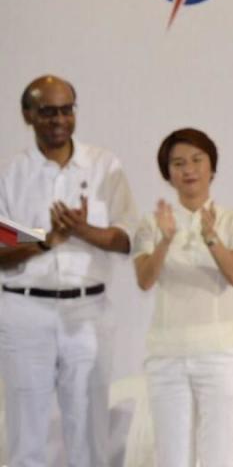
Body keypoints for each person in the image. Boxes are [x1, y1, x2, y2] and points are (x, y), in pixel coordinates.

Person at [0, 75, 137, 467]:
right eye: (47, 111)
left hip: (88, 311)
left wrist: (82, 231)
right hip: (25, 312)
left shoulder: (103, 166)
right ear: (28, 115)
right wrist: (45, 239)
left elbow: (128, 238)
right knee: (27, 436)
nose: (59, 119)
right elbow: (2, 245)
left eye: (66, 110)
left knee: (90, 434)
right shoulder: (11, 173)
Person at [133, 128, 233, 467]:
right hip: (166, 356)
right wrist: (165, 240)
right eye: (178, 163)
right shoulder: (151, 222)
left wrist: (211, 236)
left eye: (197, 160)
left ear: (211, 168)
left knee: (220, 458)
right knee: (171, 459)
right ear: (167, 174)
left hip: (222, 354)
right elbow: (144, 280)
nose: (189, 170)